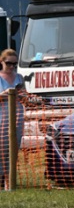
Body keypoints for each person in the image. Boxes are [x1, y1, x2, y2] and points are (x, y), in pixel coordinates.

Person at [1, 48, 35, 189]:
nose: (11, 67)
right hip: (2, 116)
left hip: (17, 117)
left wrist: (24, 96)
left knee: (14, 148)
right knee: (2, 148)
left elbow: (25, 96)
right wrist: (5, 94)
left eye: (14, 64)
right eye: (8, 63)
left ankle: (9, 180)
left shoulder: (19, 77)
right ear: (2, 62)